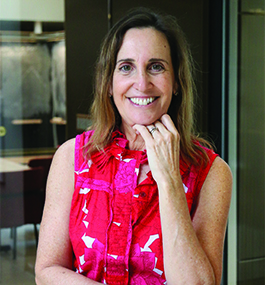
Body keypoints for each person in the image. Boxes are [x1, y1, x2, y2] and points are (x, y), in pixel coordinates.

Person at [35, 7, 232, 285]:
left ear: (176, 82)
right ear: (108, 83)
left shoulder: (211, 172)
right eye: (126, 67)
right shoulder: (72, 157)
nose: (142, 83)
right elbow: (47, 271)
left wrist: (170, 182)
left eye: (156, 66)